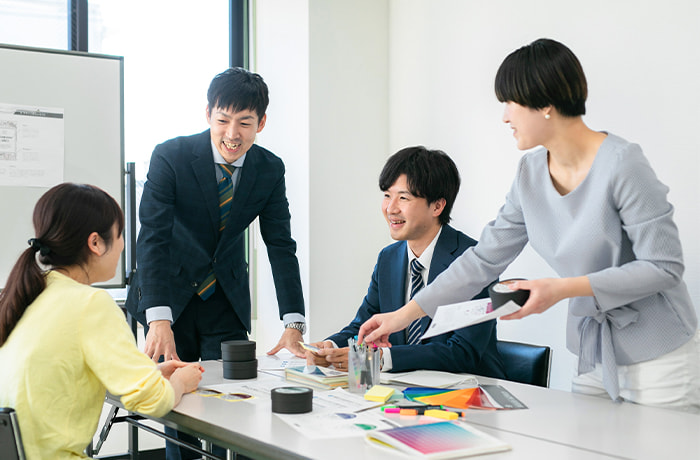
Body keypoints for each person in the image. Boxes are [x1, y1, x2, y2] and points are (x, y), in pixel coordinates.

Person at [359, 38, 700, 412]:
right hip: (593, 352)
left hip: (659, 354)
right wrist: (402, 316)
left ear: (545, 104)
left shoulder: (622, 164)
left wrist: (559, 289)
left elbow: (664, 267)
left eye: (510, 103)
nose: (505, 116)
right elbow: (482, 260)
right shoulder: (530, 174)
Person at [125, 67, 306, 459]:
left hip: (225, 298)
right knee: (182, 412)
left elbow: (280, 245)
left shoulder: (269, 169)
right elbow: (152, 238)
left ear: (262, 122)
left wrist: (294, 323)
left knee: (239, 404)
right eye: (223, 120)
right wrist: (159, 318)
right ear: (208, 113)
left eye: (245, 123)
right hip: (169, 298)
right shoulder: (171, 156)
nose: (232, 134)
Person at [0, 183, 203, 460]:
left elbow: (64, 372)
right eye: (120, 235)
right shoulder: (90, 304)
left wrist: (151, 374)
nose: (122, 245)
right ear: (96, 243)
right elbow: (153, 400)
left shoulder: (29, 294)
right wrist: (180, 381)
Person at [305, 146, 505, 379]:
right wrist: (329, 346)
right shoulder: (388, 258)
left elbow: (462, 353)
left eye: (403, 197)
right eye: (387, 196)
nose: (391, 208)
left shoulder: (474, 263)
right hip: (403, 391)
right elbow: (364, 324)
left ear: (437, 206)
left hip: (472, 396)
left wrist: (383, 359)